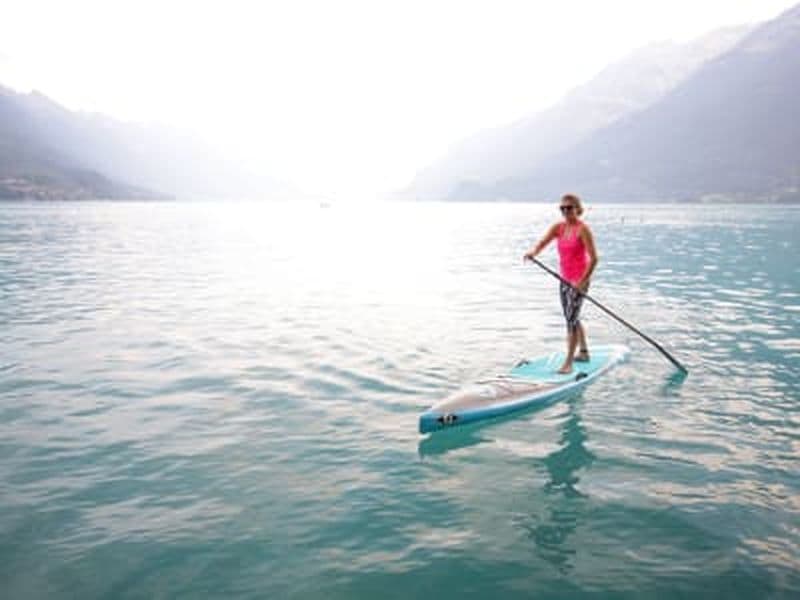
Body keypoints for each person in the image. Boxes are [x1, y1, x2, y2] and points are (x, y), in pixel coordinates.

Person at [523, 194, 598, 374]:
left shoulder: (583, 230)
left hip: (579, 281)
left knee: (570, 321)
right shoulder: (558, 228)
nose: (565, 211)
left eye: (569, 208)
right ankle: (584, 352)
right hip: (564, 280)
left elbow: (594, 259)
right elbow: (543, 242)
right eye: (562, 208)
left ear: (577, 209)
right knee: (571, 316)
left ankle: (568, 363)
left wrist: (582, 281)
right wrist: (533, 252)